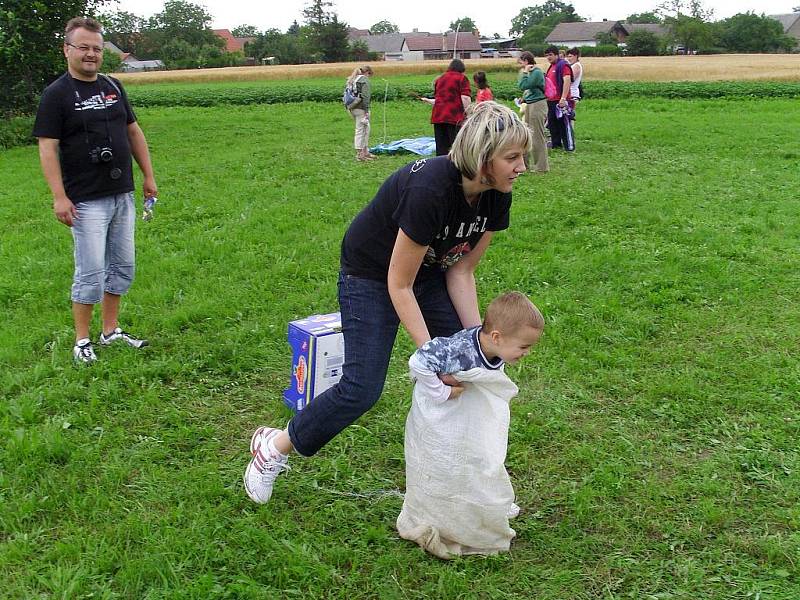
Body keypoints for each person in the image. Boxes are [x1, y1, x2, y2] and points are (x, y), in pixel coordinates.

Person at [244, 101, 532, 505]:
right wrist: (431, 353)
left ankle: (455, 475)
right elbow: (399, 284)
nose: (522, 166)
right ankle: (273, 448)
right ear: (482, 157)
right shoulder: (430, 189)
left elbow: (462, 270)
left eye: (523, 156)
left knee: (465, 368)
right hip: (372, 274)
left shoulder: (497, 194)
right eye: (513, 157)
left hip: (431, 271)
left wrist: (474, 341)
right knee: (362, 388)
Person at [33, 17, 157, 364]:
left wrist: (148, 175)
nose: (91, 54)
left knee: (122, 267)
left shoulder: (113, 86)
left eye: (97, 49)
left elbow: (134, 132)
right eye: (83, 47)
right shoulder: (56, 95)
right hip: (85, 200)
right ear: (67, 50)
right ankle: (82, 340)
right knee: (89, 272)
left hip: (122, 193)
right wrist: (59, 196)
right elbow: (47, 147)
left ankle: (110, 332)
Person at [397, 292, 544, 558]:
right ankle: (443, 513)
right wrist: (440, 393)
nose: (527, 353)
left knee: (480, 454)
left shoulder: (493, 347)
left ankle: (481, 504)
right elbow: (418, 361)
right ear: (497, 337)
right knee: (445, 460)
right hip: (439, 412)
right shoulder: (460, 352)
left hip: (463, 406)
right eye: (523, 347)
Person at [418, 59, 472, 156]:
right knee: (458, 148)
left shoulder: (440, 79)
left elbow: (440, 100)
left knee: (441, 149)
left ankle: (442, 168)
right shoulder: (461, 78)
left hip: (438, 117)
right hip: (454, 117)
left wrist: (428, 100)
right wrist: (469, 114)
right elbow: (465, 98)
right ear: (461, 69)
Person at [516, 51, 548, 173]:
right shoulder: (528, 72)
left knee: (537, 136)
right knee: (526, 135)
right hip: (529, 104)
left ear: (526, 60)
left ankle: (541, 167)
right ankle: (525, 165)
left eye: (521, 61)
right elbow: (523, 86)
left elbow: (524, 85)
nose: (520, 64)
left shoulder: (536, 72)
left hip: (538, 104)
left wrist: (525, 73)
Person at [543, 45, 574, 152]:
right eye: (547, 55)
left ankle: (568, 146)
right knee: (552, 123)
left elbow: (567, 81)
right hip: (551, 100)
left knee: (563, 124)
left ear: (556, 55)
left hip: (560, 100)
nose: (548, 57)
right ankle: (556, 145)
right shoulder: (551, 67)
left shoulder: (563, 65)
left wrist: (563, 98)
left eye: (550, 55)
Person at [345, 65, 375, 162]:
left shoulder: (352, 79)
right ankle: (360, 154)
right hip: (361, 108)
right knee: (361, 130)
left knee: (366, 129)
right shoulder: (363, 80)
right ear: (368, 73)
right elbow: (366, 96)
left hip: (352, 108)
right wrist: (366, 110)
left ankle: (365, 152)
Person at [566, 47, 583, 128]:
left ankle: (570, 138)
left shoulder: (576, 66)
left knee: (569, 118)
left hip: (572, 94)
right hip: (570, 93)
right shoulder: (572, 65)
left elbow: (571, 80)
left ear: (576, 56)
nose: (569, 58)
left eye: (570, 56)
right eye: (568, 56)